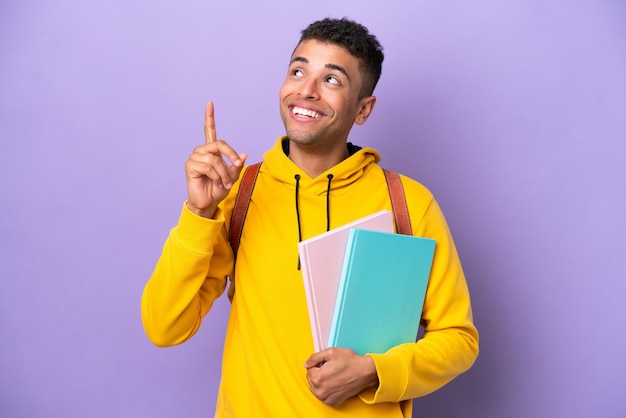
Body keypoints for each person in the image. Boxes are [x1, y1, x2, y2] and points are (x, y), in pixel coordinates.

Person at [141, 17, 479, 417]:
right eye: (298, 71)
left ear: (364, 109)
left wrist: (374, 370)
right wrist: (199, 212)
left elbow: (458, 339)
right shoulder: (238, 196)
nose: (307, 90)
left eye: (332, 80)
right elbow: (164, 326)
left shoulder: (407, 202)